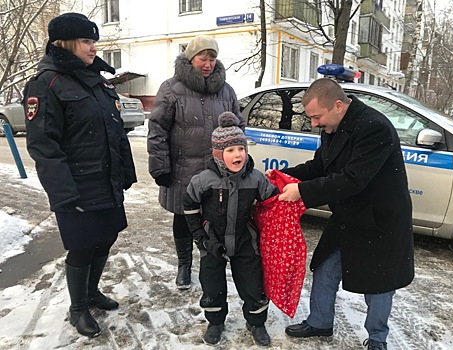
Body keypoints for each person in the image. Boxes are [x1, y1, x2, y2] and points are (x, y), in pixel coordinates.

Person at [269, 78, 414, 350]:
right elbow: (320, 166)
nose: (314, 124)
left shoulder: (375, 128)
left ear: (337, 105)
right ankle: (320, 322)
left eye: (316, 117)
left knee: (379, 284)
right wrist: (284, 177)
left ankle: (377, 338)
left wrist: (301, 191)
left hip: (380, 218)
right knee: (324, 269)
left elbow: (352, 179)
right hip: (348, 213)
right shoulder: (332, 127)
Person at [23, 13, 137, 338]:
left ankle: (91, 293)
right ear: (67, 43)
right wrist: (63, 195)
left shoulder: (97, 80)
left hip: (106, 180)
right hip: (76, 186)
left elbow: (115, 132)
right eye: (87, 41)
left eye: (93, 41)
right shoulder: (46, 84)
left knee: (107, 236)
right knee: (83, 245)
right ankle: (78, 308)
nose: (93, 47)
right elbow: (44, 146)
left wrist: (125, 173)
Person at [147, 35, 244, 290]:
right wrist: (160, 165)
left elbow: (239, 128)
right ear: (191, 59)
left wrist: (238, 160)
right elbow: (157, 128)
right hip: (183, 170)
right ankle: (183, 265)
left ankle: (209, 263)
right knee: (183, 218)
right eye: (203, 57)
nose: (208, 63)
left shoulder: (226, 91)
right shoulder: (171, 88)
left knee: (215, 219)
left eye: (212, 58)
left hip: (217, 172)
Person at [183, 112, 278, 346]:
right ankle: (215, 321)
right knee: (212, 285)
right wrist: (200, 237)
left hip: (245, 240)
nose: (238, 154)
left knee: (253, 284)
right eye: (230, 150)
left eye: (241, 149)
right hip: (212, 240)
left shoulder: (256, 179)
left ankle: (256, 322)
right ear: (218, 154)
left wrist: (283, 188)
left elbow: (273, 202)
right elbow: (189, 206)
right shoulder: (203, 180)